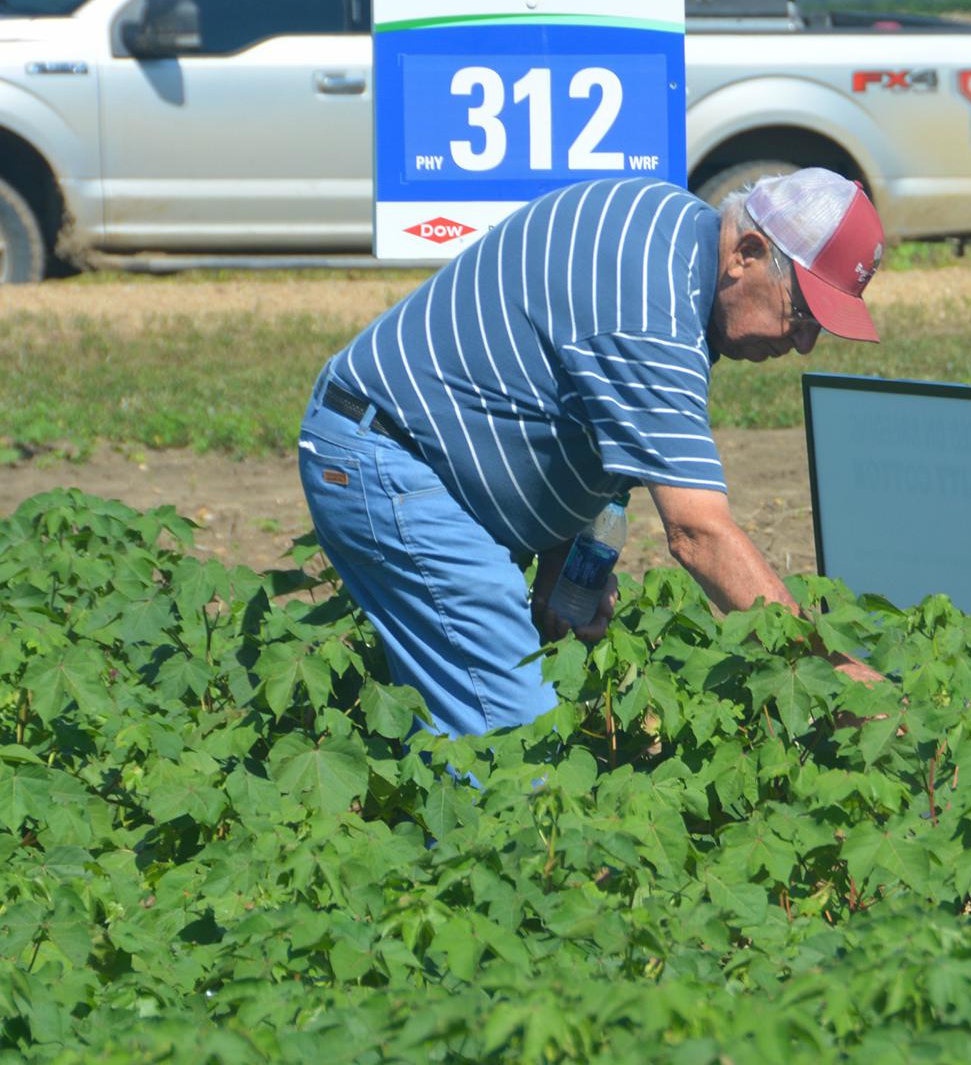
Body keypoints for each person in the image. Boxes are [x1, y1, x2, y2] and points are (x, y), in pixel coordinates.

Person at [296, 168, 886, 738]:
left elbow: (580, 401)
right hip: (388, 456)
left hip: (412, 456)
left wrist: (568, 554)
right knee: (516, 749)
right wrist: (835, 679)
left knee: (492, 712)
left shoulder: (676, 241)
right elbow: (697, 533)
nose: (804, 342)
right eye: (803, 311)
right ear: (747, 253)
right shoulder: (652, 305)